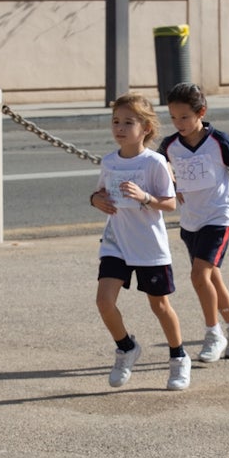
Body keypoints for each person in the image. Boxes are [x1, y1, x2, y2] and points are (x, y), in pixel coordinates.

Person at [159, 83, 229, 362]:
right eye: (173, 117)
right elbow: (160, 170)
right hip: (191, 221)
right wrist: (174, 184)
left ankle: (214, 334)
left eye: (184, 117)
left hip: (218, 217)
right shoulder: (170, 145)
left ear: (201, 112)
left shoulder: (218, 141)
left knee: (199, 276)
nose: (179, 123)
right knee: (211, 278)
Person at [89, 94, 192, 391]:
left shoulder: (155, 162)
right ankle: (126, 348)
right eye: (116, 122)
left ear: (145, 127)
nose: (119, 128)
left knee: (159, 305)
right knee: (103, 301)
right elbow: (98, 193)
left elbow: (170, 203)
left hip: (148, 245)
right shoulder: (109, 161)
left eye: (128, 122)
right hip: (116, 242)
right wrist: (96, 200)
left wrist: (144, 197)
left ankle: (178, 357)